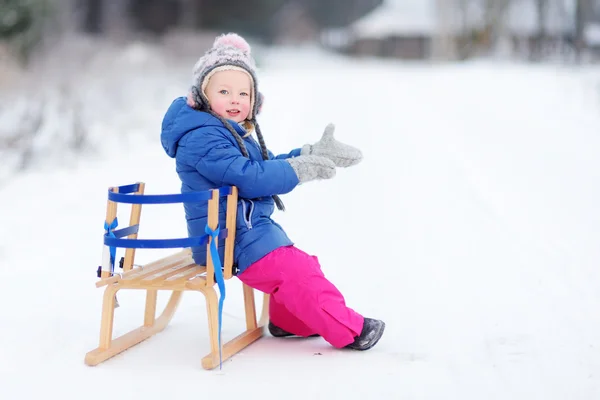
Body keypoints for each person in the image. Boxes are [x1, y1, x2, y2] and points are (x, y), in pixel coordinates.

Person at [160, 32, 385, 351]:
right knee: (296, 272)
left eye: (243, 92)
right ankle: (351, 330)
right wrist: (298, 170)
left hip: (247, 230)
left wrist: (307, 153)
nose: (235, 99)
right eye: (224, 91)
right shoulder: (203, 137)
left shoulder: (227, 132)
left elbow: (263, 165)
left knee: (303, 264)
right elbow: (250, 177)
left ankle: (288, 321)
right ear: (203, 97)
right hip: (225, 240)